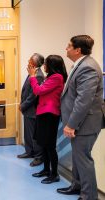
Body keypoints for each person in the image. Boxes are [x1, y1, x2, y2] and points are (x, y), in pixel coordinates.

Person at [57, 35, 103, 200]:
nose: (66, 49)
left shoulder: (88, 67)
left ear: (78, 50)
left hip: (85, 123)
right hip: (80, 123)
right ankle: (77, 186)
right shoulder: (80, 65)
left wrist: (71, 124)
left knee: (83, 160)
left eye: (69, 46)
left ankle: (89, 196)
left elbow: (83, 101)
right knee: (78, 157)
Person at [29, 55, 67, 184]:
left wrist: (32, 77)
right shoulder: (50, 77)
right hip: (43, 112)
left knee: (50, 146)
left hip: (50, 113)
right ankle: (46, 170)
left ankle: (54, 174)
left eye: (46, 64)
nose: (44, 66)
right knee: (43, 143)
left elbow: (38, 91)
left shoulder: (57, 77)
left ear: (52, 65)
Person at [17, 53, 45, 167]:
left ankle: (38, 157)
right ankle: (29, 152)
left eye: (30, 59)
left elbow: (33, 95)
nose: (28, 60)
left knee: (34, 136)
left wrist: (23, 105)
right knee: (28, 134)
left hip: (32, 110)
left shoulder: (38, 75)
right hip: (27, 109)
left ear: (33, 63)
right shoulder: (32, 73)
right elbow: (26, 91)